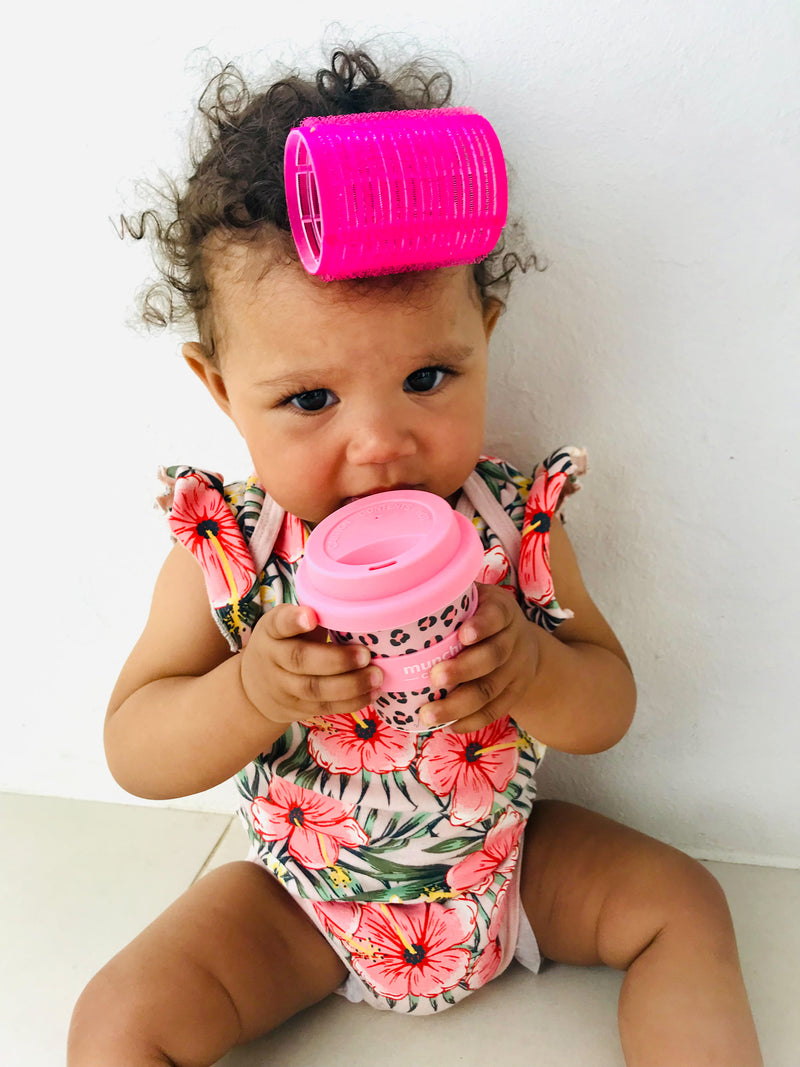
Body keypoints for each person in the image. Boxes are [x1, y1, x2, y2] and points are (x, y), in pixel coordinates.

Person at [68, 46, 762, 1067]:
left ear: (484, 334)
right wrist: (253, 690)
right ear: (221, 391)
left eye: (429, 374)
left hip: (509, 869)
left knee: (682, 900)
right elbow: (134, 748)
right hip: (301, 905)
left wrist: (532, 669)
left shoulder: (506, 522)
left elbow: (607, 704)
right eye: (310, 400)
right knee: (117, 1017)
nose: (379, 444)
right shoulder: (231, 555)